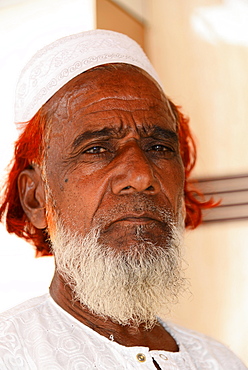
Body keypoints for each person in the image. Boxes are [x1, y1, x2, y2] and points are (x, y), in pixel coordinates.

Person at [0, 29, 246, 370]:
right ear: (37, 198)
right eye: (97, 149)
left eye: (158, 147)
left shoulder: (220, 362)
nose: (141, 176)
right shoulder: (11, 353)